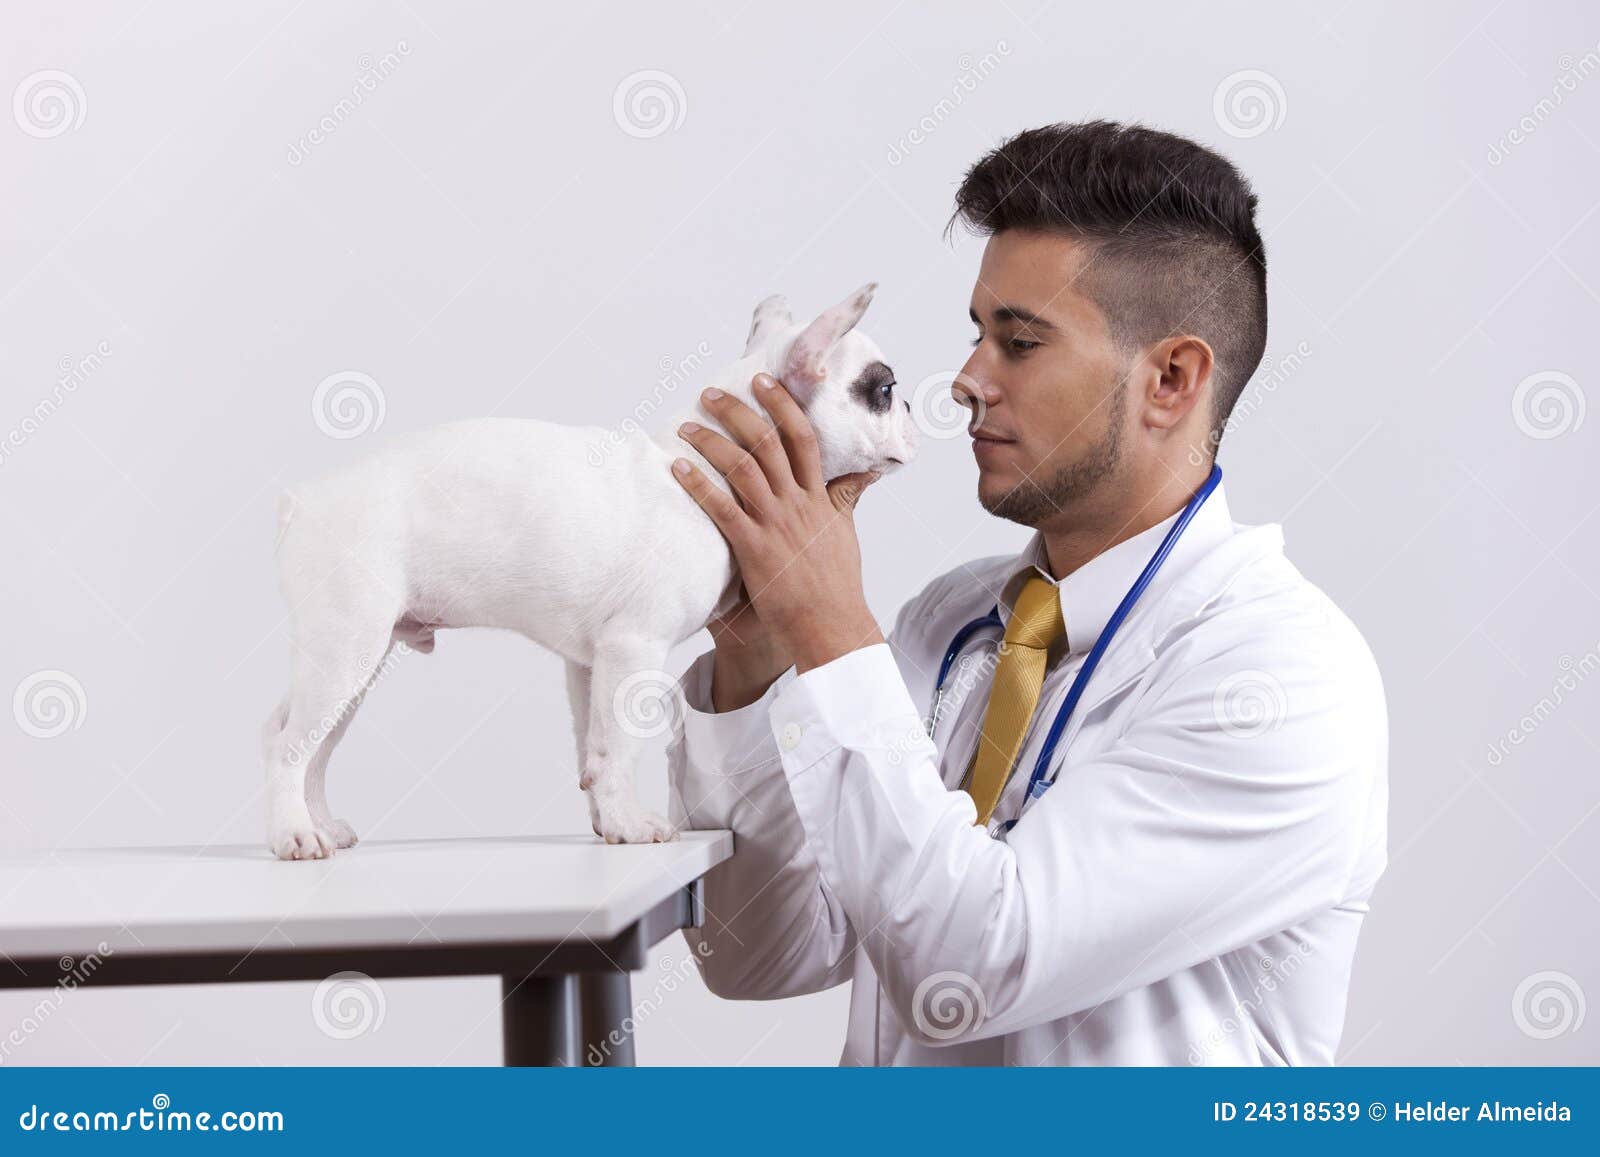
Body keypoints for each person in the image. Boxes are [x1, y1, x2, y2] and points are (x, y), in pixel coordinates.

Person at [664, 121, 1388, 1066]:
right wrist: (762, 654)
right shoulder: (948, 623)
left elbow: (969, 967)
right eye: (977, 334)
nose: (965, 381)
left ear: (1170, 379)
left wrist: (831, 633)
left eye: (1019, 341)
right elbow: (758, 954)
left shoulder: (1281, 674)